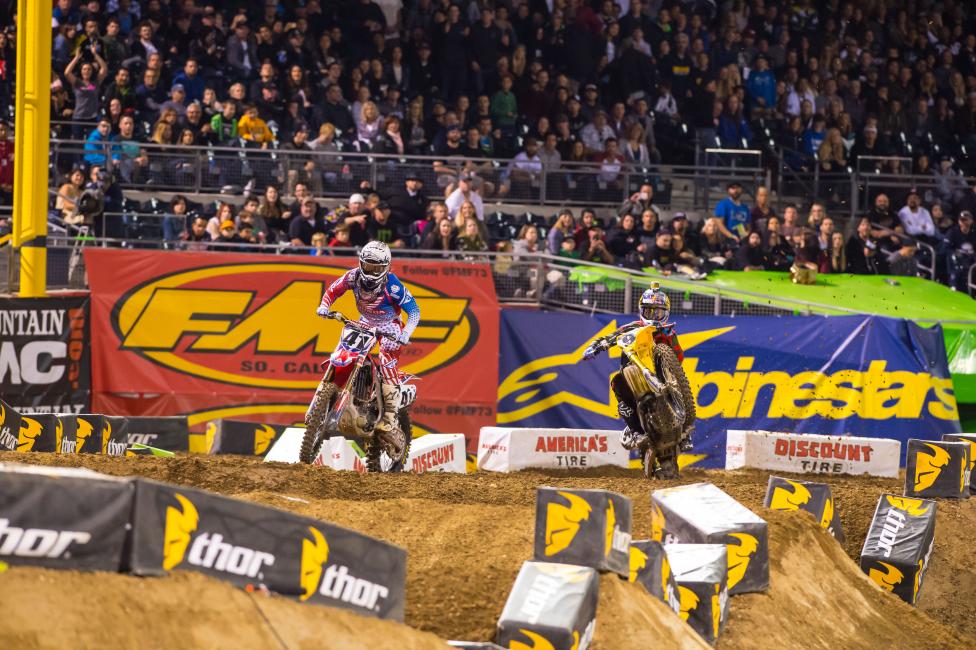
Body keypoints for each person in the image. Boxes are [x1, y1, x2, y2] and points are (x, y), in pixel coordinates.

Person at [581, 284, 691, 476]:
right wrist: (595, 347)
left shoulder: (669, 333)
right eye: (649, 311)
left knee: (682, 387)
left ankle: (686, 431)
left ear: (666, 312)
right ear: (642, 310)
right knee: (616, 383)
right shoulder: (632, 327)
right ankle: (636, 431)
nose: (653, 316)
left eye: (658, 312)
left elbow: (678, 359)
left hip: (661, 378)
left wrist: (671, 366)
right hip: (633, 375)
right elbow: (610, 337)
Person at [316, 242, 421, 434]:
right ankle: (333, 393)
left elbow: (414, 310)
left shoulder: (393, 286)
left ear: (386, 267)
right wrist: (324, 306)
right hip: (365, 321)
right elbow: (333, 290)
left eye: (376, 268)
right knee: (345, 348)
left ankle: (390, 417)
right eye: (368, 266)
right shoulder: (353, 276)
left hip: (390, 325)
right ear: (361, 262)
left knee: (386, 360)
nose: (371, 272)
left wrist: (406, 333)